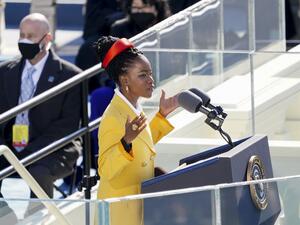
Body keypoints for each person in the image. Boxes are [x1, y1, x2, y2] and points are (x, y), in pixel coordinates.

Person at [0, 13, 82, 219]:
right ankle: (7, 218)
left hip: (53, 148)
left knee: (37, 172)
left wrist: (31, 151)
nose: (24, 40)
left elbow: (68, 125)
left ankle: (37, 220)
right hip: (10, 145)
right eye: (21, 35)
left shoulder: (70, 76)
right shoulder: (4, 71)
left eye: (31, 36)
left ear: (47, 39)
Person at [95, 36, 179, 225]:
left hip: (136, 207)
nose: (151, 80)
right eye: (143, 75)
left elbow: (142, 146)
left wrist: (161, 116)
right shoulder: (113, 116)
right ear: (125, 80)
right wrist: (125, 142)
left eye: (150, 73)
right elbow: (106, 169)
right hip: (119, 213)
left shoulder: (132, 107)